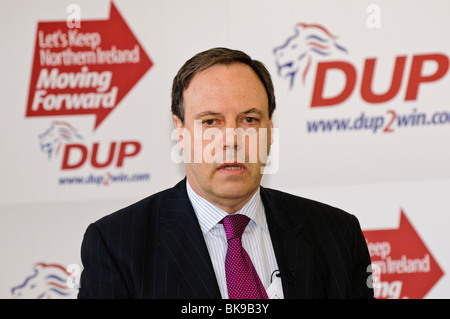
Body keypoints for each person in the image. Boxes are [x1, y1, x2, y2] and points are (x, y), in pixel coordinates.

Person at [78, 47, 374, 299]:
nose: (232, 140)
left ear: (270, 131)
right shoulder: (116, 245)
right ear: (180, 132)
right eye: (210, 122)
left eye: (248, 119)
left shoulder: (337, 235)